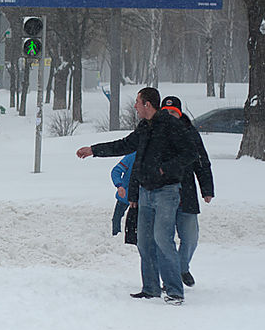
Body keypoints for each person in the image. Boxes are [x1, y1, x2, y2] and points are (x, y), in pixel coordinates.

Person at [76, 87, 197, 305]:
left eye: (138, 102)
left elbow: (190, 154)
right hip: (145, 192)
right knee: (144, 241)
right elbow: (124, 144)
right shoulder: (145, 127)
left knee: (163, 239)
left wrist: (164, 170)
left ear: (147, 105)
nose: (135, 107)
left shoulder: (171, 126)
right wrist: (94, 150)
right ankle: (150, 288)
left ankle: (174, 291)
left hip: (167, 192)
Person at [159, 96, 214, 287]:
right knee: (164, 238)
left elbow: (202, 162)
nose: (169, 116)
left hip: (186, 193)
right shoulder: (155, 132)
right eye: (165, 112)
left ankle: (182, 268)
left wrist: (207, 189)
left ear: (180, 114)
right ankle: (172, 277)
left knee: (190, 237)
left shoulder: (190, 133)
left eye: (173, 112)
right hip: (162, 192)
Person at [110, 152, 137, 236]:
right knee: (117, 218)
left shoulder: (153, 156)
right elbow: (116, 171)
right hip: (125, 194)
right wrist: (119, 185)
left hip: (143, 197)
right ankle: (116, 236)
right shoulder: (131, 157)